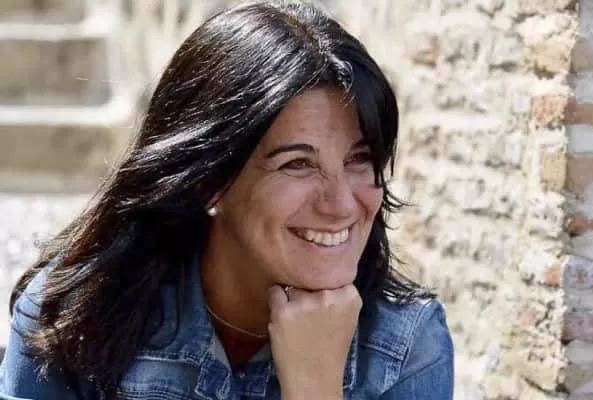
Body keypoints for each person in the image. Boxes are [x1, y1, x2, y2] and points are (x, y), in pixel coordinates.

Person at [0, 1, 454, 399]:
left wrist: (315, 387)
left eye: (359, 160)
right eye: (297, 164)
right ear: (210, 179)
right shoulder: (73, 317)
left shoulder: (407, 348)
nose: (340, 205)